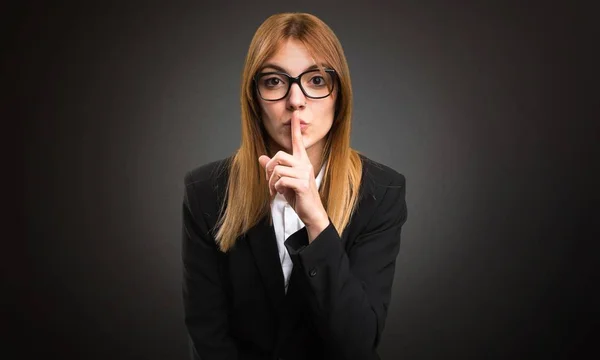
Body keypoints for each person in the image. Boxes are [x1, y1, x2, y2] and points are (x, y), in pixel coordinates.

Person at [182, 12, 408, 360]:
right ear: (254, 99)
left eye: (316, 80)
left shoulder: (381, 191)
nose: (296, 100)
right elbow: (208, 336)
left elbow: (358, 343)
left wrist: (317, 220)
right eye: (274, 81)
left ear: (339, 96)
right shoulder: (205, 192)